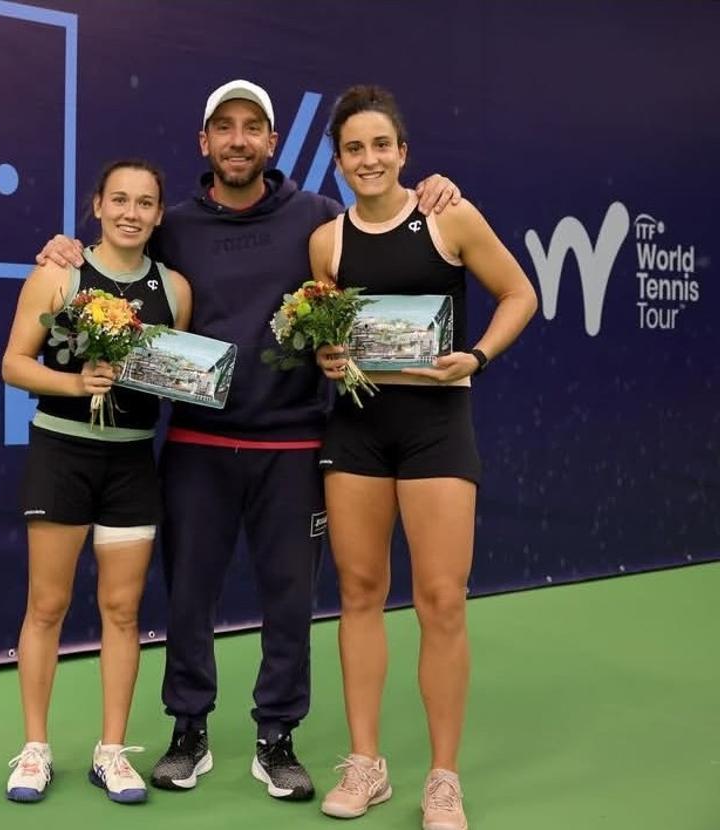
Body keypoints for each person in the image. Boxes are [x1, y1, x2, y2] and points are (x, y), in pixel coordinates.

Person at [38, 80, 460, 801]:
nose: (239, 139)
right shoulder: (169, 224)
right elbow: (116, 257)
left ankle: (278, 736)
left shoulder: (320, 218)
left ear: (272, 141)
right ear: (205, 143)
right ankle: (188, 730)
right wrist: (62, 251)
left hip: (295, 448)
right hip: (196, 446)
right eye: (224, 128)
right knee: (189, 596)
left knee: (291, 600)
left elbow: (382, 227)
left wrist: (433, 194)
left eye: (253, 127)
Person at [308, 85, 537, 829]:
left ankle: (443, 779)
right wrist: (329, 355)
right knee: (361, 591)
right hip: (357, 435)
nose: (368, 159)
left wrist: (476, 355)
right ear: (338, 160)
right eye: (353, 149)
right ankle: (367, 765)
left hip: (438, 431)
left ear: (403, 153)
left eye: (381, 146)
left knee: (441, 600)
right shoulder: (327, 242)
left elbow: (519, 295)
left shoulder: (449, 217)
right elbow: (325, 335)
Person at [1, 159, 192, 805]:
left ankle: (112, 752)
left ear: (159, 215)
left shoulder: (176, 289)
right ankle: (35, 750)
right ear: (98, 206)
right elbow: (13, 364)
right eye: (119, 200)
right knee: (47, 607)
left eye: (144, 203)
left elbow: (174, 376)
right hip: (62, 455)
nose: (131, 212)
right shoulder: (60, 272)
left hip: (132, 465)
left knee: (122, 611)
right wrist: (77, 383)